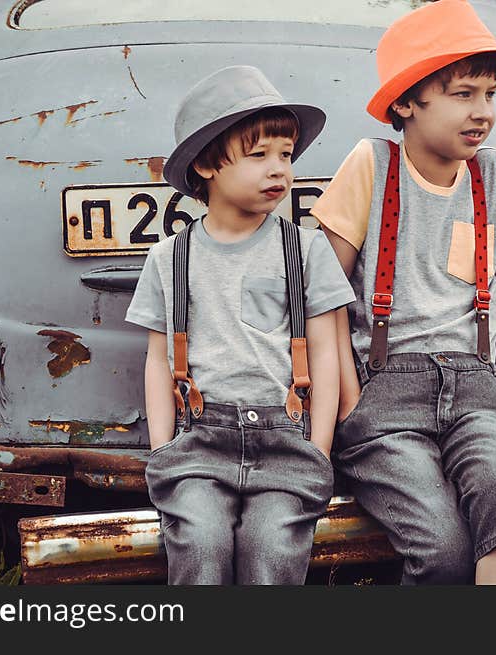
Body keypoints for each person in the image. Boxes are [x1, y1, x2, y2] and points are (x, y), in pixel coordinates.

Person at [310, 0, 496, 585]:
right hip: (386, 395)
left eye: (490, 95)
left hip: (477, 389)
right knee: (442, 547)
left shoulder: (495, 176)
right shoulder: (372, 166)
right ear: (406, 102)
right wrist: (349, 401)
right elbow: (322, 294)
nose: (483, 112)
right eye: (463, 93)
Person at [125, 65, 355, 585]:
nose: (279, 170)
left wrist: (318, 448)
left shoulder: (306, 249)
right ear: (207, 164)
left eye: (286, 156)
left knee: (271, 549)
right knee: (199, 545)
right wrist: (163, 449)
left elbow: (324, 353)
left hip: (286, 440)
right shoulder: (169, 258)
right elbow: (157, 361)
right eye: (259, 156)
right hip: (199, 444)